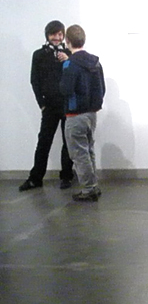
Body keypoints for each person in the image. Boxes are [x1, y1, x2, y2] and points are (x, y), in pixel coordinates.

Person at [19, 20, 74, 192]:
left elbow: (76, 77)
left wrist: (68, 61)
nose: (57, 37)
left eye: (60, 34)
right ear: (47, 35)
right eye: (53, 34)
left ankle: (66, 176)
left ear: (64, 36)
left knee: (68, 141)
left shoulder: (70, 54)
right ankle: (35, 178)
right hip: (49, 106)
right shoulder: (38, 55)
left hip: (67, 105)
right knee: (44, 141)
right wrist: (41, 104)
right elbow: (34, 80)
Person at [59, 24, 106, 202]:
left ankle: (88, 189)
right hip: (91, 114)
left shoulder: (70, 64)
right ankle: (93, 185)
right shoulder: (96, 62)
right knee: (88, 150)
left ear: (67, 41)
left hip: (75, 115)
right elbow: (102, 88)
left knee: (78, 154)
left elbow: (65, 89)